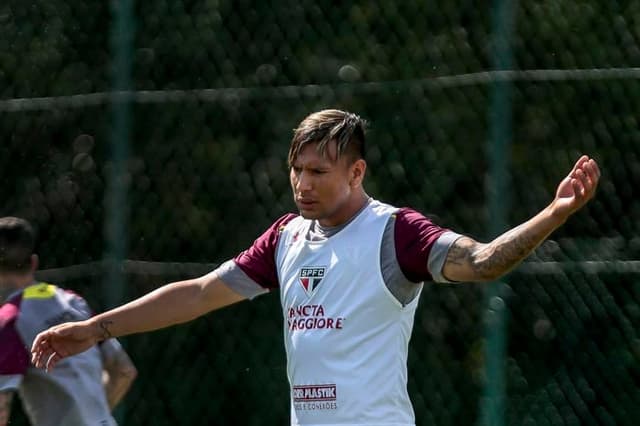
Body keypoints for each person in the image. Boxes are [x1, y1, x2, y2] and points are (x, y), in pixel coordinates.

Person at [31, 109, 600, 426]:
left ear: (356, 172)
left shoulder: (396, 232)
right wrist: (97, 327)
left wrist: (554, 212)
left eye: (319, 172)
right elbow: (201, 293)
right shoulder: (286, 236)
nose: (303, 183)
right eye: (296, 169)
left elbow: (482, 262)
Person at [0, 217, 137, 426]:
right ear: (34, 262)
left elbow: (1, 405)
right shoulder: (74, 302)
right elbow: (123, 371)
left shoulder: (10, 320)